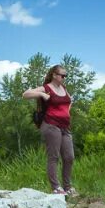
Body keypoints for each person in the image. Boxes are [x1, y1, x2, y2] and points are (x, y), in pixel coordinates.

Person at [22, 64, 75, 195]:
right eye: (62, 75)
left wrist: (66, 112)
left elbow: (69, 102)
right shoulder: (46, 88)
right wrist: (41, 94)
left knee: (69, 157)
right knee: (54, 156)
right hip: (51, 125)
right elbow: (25, 94)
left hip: (65, 126)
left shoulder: (63, 88)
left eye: (65, 76)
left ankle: (67, 186)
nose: (64, 77)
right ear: (54, 75)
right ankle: (56, 187)